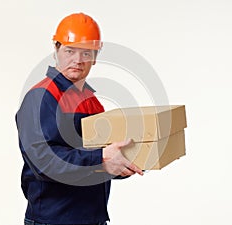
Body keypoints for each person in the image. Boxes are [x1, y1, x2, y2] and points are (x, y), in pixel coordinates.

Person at [16, 12, 143, 225]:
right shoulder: (41, 97)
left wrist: (126, 161)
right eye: (70, 51)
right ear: (56, 50)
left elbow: (96, 159)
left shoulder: (91, 101)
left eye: (86, 53)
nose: (77, 60)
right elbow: (44, 162)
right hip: (54, 219)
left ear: (95, 56)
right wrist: (102, 159)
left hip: (91, 218)